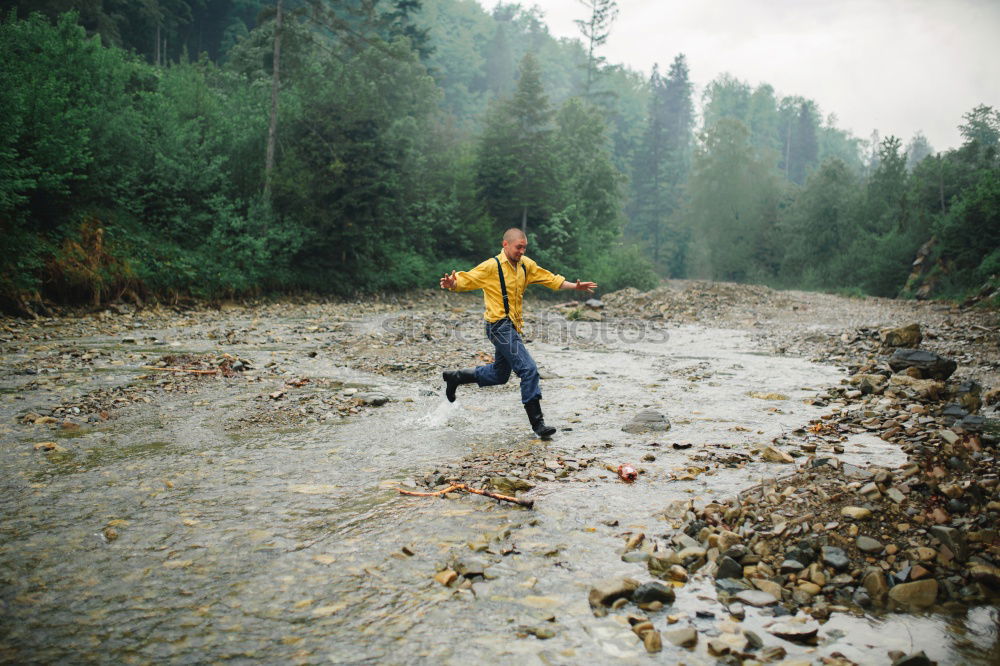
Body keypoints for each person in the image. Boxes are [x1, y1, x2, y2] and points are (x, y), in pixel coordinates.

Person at [439, 228, 597, 438]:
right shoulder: (491, 266)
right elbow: (467, 279)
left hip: (511, 327)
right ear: (505, 245)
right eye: (518, 247)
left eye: (524, 247)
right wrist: (453, 283)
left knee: (499, 375)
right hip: (498, 326)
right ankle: (538, 424)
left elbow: (549, 278)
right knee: (529, 369)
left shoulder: (526, 265)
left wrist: (574, 287)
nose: (521, 251)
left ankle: (456, 377)